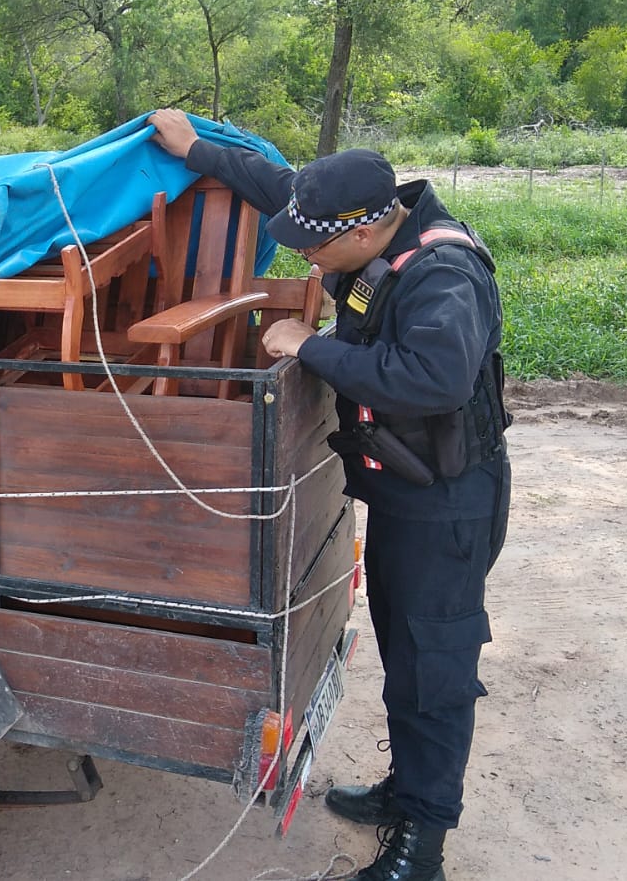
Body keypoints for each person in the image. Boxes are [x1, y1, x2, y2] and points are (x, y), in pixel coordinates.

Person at [147, 109, 511, 881]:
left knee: (432, 666)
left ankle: (422, 848)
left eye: (313, 249)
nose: (307, 260)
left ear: (364, 231)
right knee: (404, 647)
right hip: (406, 490)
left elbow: (432, 381)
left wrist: (305, 344)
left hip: (448, 501)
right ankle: (405, 791)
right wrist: (194, 148)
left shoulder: (444, 275)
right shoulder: (358, 220)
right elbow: (275, 184)